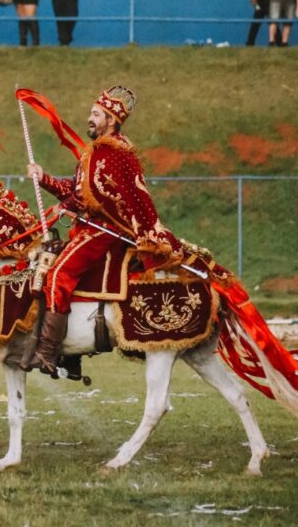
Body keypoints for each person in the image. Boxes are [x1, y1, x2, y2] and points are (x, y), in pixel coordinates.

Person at [21, 86, 182, 375]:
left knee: (58, 275)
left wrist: (72, 205)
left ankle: (47, 354)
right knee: (50, 264)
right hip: (89, 228)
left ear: (111, 118)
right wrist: (43, 178)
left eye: (96, 114)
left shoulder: (113, 152)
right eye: (91, 113)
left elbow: (97, 198)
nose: (89, 118)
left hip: (104, 231)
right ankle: (72, 353)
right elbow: (77, 190)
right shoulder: (96, 151)